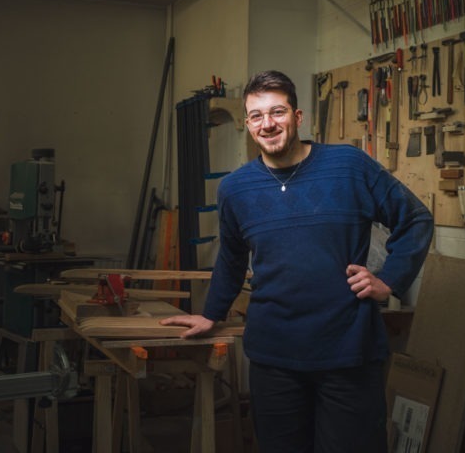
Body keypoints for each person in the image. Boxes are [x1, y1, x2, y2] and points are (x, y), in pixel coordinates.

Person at [161, 70, 434, 453]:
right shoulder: (235, 189)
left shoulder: (349, 166)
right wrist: (212, 312)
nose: (267, 124)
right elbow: (233, 256)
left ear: (298, 117)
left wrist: (390, 280)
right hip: (275, 360)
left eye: (278, 112)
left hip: (348, 354)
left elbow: (415, 217)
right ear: (248, 124)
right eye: (256, 115)